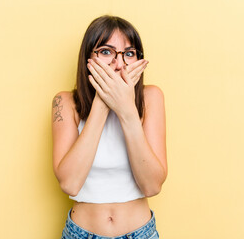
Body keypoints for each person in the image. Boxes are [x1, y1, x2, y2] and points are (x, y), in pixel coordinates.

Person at [52, 15, 167, 239]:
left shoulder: (151, 98)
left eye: (129, 53)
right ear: (88, 58)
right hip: (80, 234)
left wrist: (126, 110)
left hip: (140, 233)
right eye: (106, 52)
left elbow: (152, 186)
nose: (119, 63)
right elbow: (70, 183)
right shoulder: (65, 103)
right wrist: (103, 102)